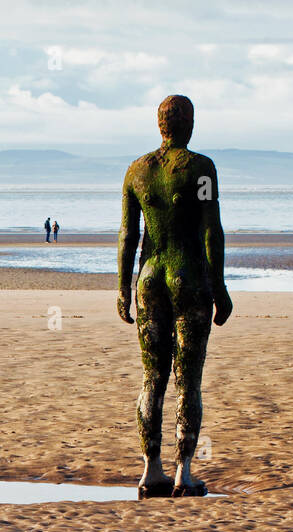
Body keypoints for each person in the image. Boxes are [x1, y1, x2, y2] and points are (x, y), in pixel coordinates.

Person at [117, 95, 232, 498]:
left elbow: (129, 236)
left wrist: (121, 288)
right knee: (189, 379)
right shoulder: (201, 168)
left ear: (159, 124)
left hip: (148, 279)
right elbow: (210, 230)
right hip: (189, 278)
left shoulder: (137, 171)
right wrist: (220, 287)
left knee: (152, 378)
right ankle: (183, 471)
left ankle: (151, 470)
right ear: (190, 124)